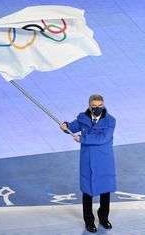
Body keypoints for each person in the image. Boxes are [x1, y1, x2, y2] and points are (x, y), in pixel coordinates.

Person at [60, 94, 116, 233]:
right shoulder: (83, 118)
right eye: (94, 106)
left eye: (100, 106)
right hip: (87, 159)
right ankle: (89, 221)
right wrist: (65, 126)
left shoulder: (110, 121)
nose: (97, 109)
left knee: (105, 190)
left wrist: (83, 138)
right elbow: (73, 127)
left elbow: (103, 138)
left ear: (103, 105)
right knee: (87, 190)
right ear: (89, 106)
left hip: (104, 160)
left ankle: (103, 218)